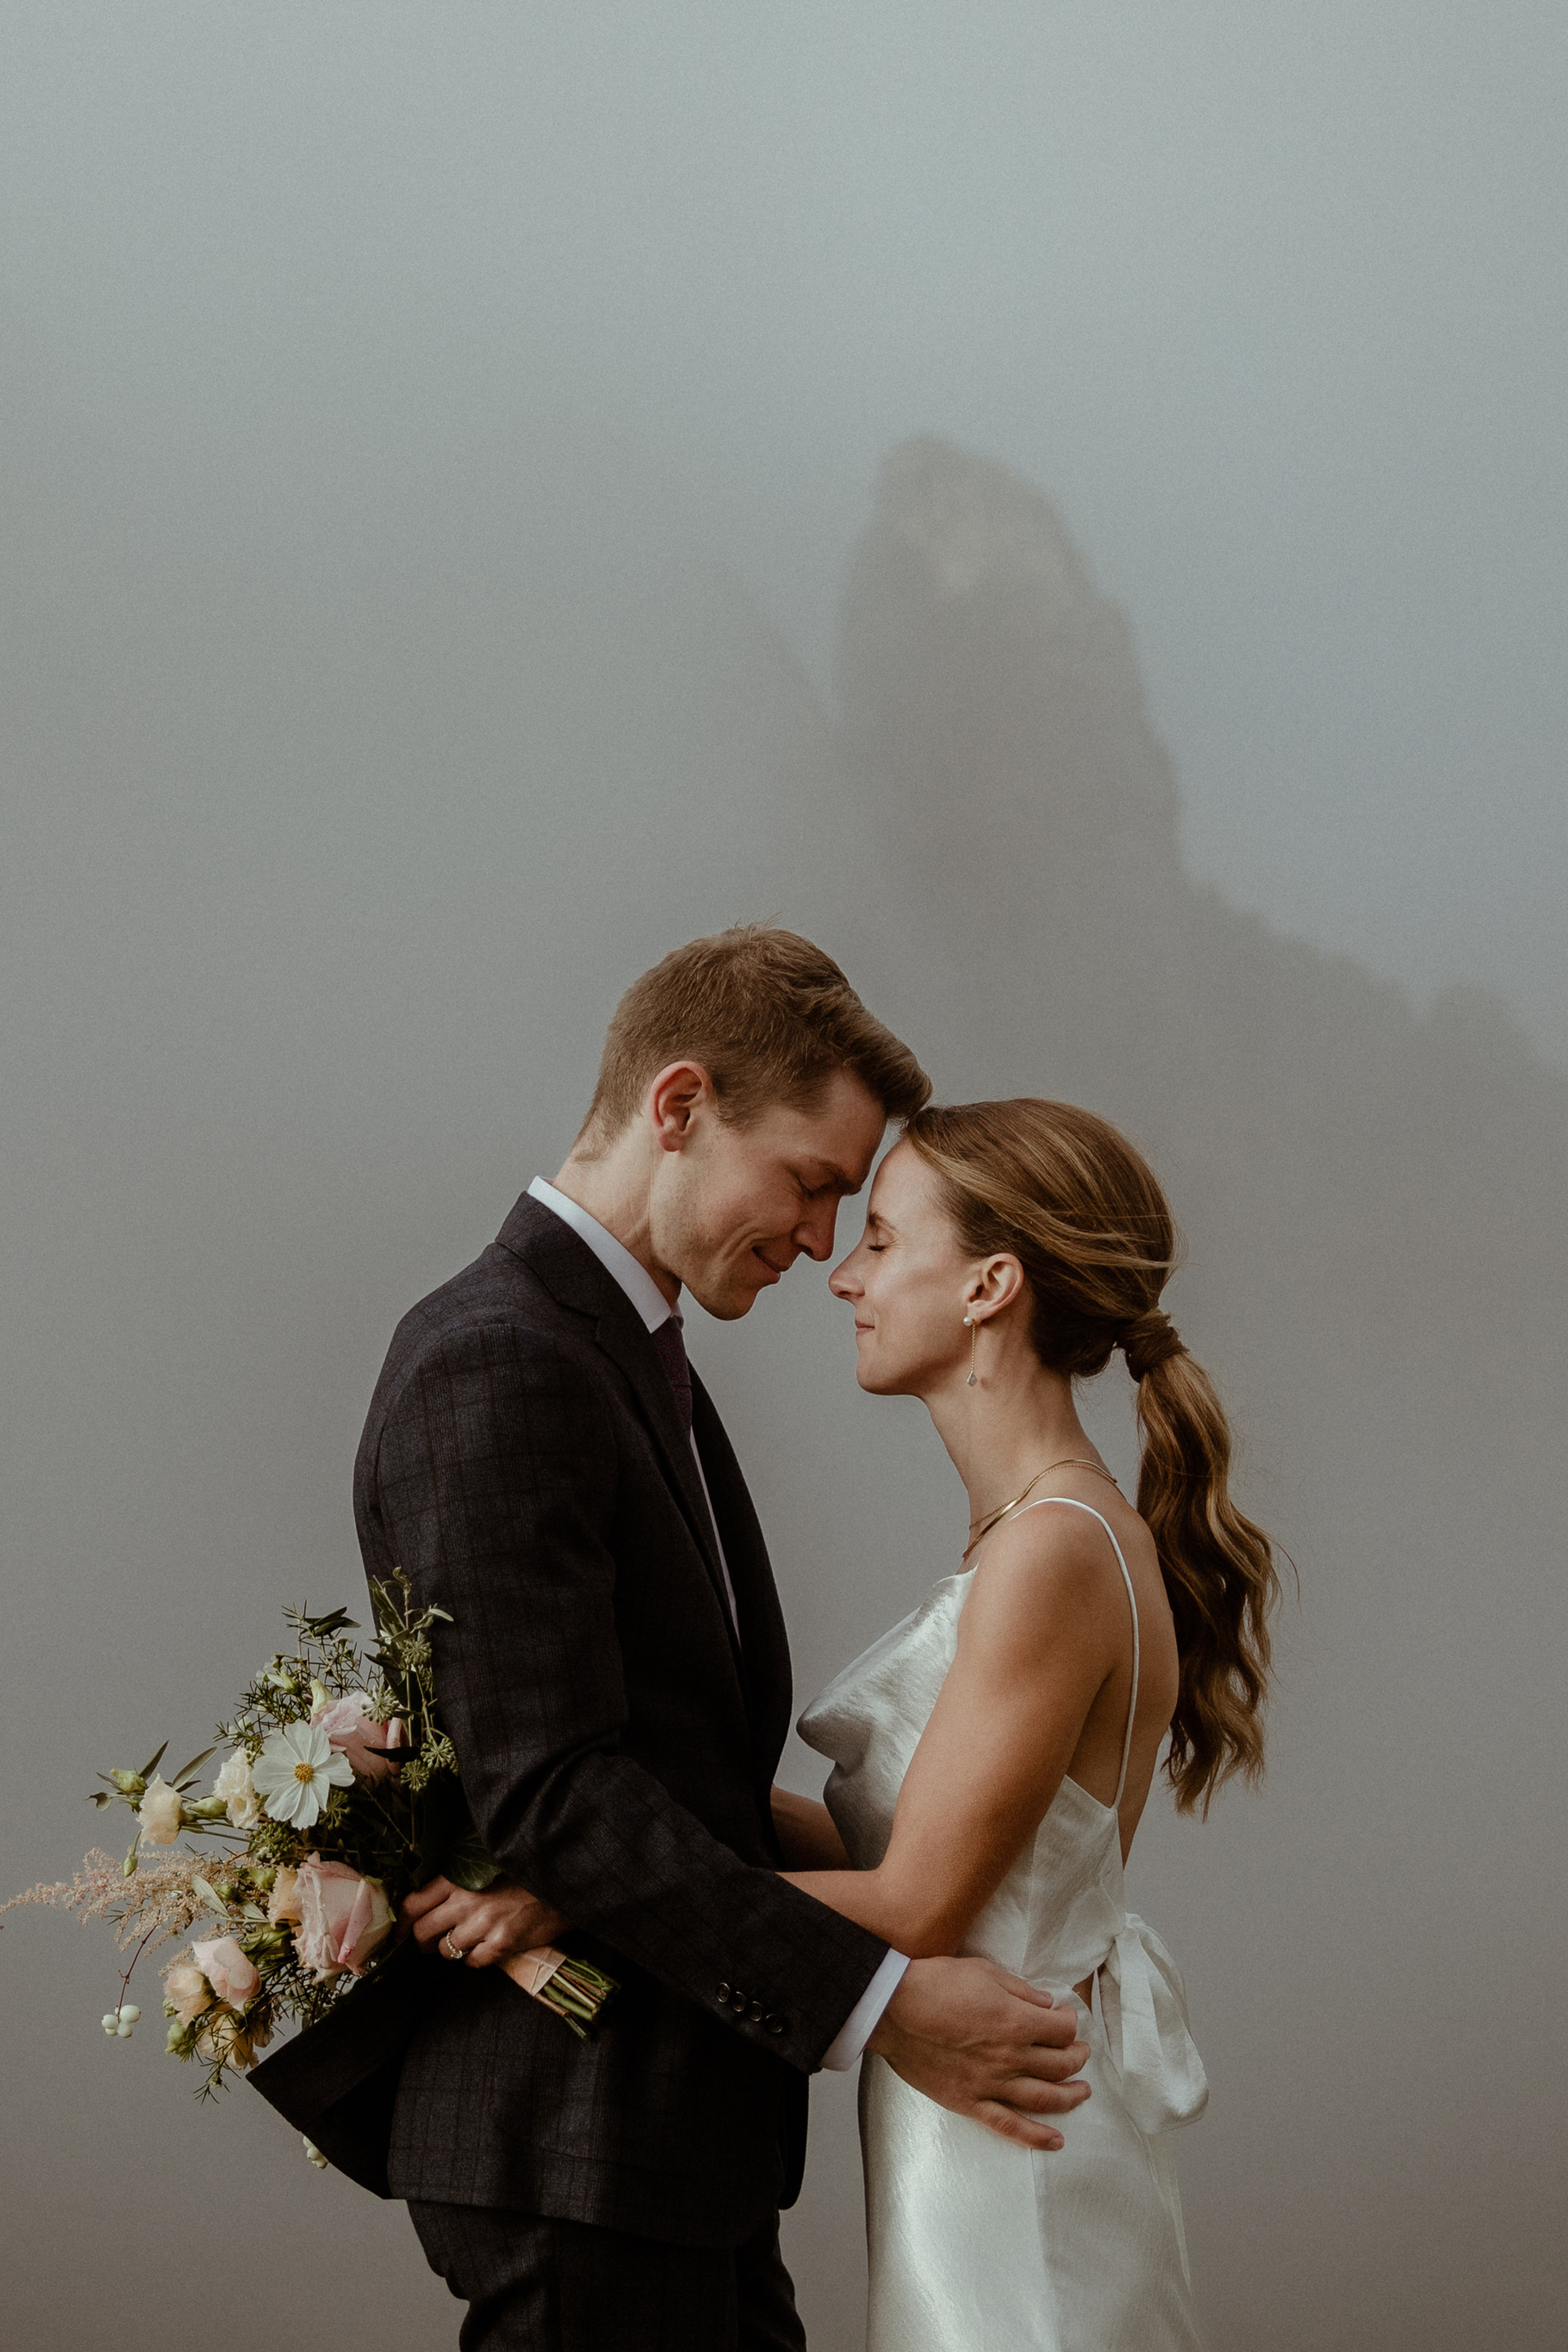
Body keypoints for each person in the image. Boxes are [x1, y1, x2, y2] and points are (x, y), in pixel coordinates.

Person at [253, 928, 1093, 2352]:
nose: (820, 1240)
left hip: (649, 2146)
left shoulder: (622, 1355)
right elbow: (555, 1793)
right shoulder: (500, 1357)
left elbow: (655, 1772)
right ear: (679, 1105)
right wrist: (882, 2005)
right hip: (578, 2135)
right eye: (811, 1183)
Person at [780, 1099, 1280, 2348]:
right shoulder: (1041, 1537)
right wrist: (642, 1808)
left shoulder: (1052, 1553)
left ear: (990, 1284)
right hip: (972, 2142)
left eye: (884, 1241)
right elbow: (930, 1865)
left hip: (1004, 2171)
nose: (843, 1273)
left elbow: (914, 1911)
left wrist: (582, 1888)